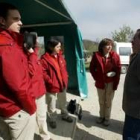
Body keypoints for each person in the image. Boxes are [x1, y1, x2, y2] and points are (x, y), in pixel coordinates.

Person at [0, 2, 36, 140]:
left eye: (20, 19)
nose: (21, 23)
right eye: (15, 19)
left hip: (5, 108)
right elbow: (19, 86)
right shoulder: (7, 46)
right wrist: (31, 107)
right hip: (17, 110)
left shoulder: (11, 43)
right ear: (2, 21)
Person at [40, 39, 73, 129]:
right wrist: (50, 81)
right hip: (52, 86)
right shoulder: (44, 59)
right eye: (58, 46)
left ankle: (65, 115)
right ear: (51, 47)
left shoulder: (60, 56)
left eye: (60, 46)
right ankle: (52, 119)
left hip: (62, 84)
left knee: (63, 102)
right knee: (52, 104)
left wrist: (66, 76)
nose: (60, 48)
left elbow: (64, 67)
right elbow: (42, 73)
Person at [89, 38, 121, 126]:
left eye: (111, 45)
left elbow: (118, 69)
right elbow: (92, 68)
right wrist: (97, 78)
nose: (110, 47)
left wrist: (115, 75)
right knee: (101, 101)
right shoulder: (96, 55)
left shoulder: (115, 56)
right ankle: (101, 116)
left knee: (108, 101)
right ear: (102, 47)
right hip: (100, 83)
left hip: (111, 82)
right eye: (108, 45)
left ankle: (107, 118)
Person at [122, 29, 140, 140]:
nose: (131, 42)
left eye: (135, 39)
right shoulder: (137, 55)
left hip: (136, 114)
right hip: (133, 112)